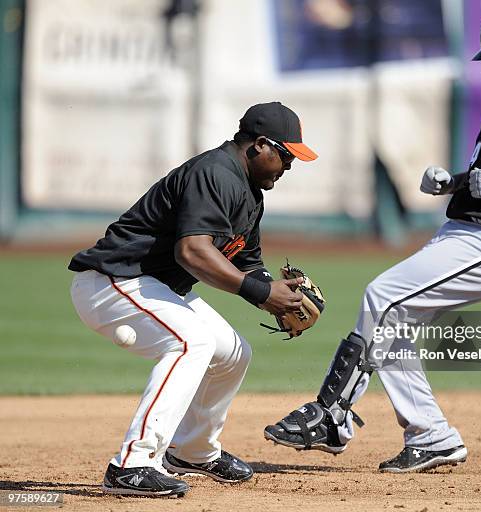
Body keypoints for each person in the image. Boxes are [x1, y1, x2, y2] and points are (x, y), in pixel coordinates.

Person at [264, 11, 481, 473]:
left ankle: (332, 415)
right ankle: (431, 436)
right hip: (464, 233)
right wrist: (456, 183)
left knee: (382, 296)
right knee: (394, 323)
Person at [69, 102, 317, 497]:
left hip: (154, 286)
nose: (288, 167)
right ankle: (132, 464)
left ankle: (192, 451)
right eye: (285, 155)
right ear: (260, 145)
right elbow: (193, 252)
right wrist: (260, 293)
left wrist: (279, 294)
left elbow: (248, 263)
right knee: (192, 342)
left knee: (233, 353)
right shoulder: (215, 173)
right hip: (113, 281)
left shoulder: (250, 192)